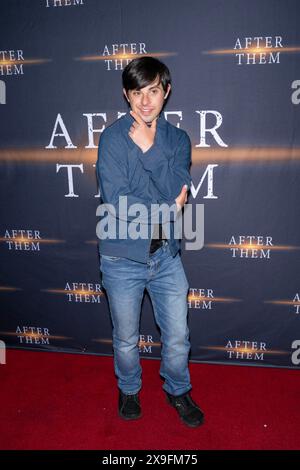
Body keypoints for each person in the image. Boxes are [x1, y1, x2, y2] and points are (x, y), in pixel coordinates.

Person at [96, 56, 204, 428]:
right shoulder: (111, 138)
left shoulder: (178, 140)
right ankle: (128, 389)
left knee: (178, 337)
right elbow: (118, 202)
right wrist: (167, 209)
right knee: (126, 339)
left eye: (153, 91)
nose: (146, 101)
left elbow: (179, 189)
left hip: (166, 258)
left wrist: (149, 147)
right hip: (121, 259)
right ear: (127, 95)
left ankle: (178, 390)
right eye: (138, 92)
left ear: (166, 92)